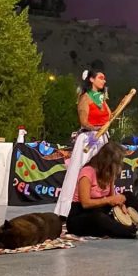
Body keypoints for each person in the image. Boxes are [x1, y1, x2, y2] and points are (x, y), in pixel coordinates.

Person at [66, 141, 138, 239]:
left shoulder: (108, 173)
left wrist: (120, 204)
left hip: (100, 209)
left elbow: (112, 197)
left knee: (127, 195)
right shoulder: (87, 172)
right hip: (81, 215)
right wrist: (109, 200)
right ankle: (135, 233)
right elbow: (85, 203)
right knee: (99, 218)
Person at [55, 61, 112, 218]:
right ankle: (69, 209)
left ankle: (101, 205)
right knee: (80, 170)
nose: (104, 81)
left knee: (102, 171)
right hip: (88, 139)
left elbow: (110, 116)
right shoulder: (85, 98)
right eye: (101, 78)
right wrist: (95, 129)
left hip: (102, 139)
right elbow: (84, 122)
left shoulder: (102, 99)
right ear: (92, 79)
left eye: (104, 78)